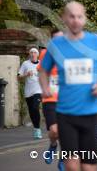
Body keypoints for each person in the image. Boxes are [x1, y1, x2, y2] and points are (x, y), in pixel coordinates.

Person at [39, 1, 97, 171]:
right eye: (71, 16)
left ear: (84, 19)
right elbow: (43, 70)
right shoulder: (56, 45)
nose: (76, 20)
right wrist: (44, 86)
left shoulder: (94, 41)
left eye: (79, 16)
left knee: (89, 167)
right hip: (65, 114)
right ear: (64, 18)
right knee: (71, 166)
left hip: (90, 114)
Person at [37, 29, 64, 169]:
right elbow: (41, 72)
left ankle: (63, 158)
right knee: (54, 131)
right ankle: (53, 145)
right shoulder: (44, 54)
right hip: (50, 98)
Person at [18, 47, 43, 139]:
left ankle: (38, 130)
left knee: (35, 107)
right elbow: (19, 76)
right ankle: (36, 128)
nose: (33, 54)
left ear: (37, 54)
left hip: (38, 90)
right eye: (31, 52)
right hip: (28, 91)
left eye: (34, 52)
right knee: (32, 111)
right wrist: (26, 74)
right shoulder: (25, 64)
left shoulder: (41, 64)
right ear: (29, 54)